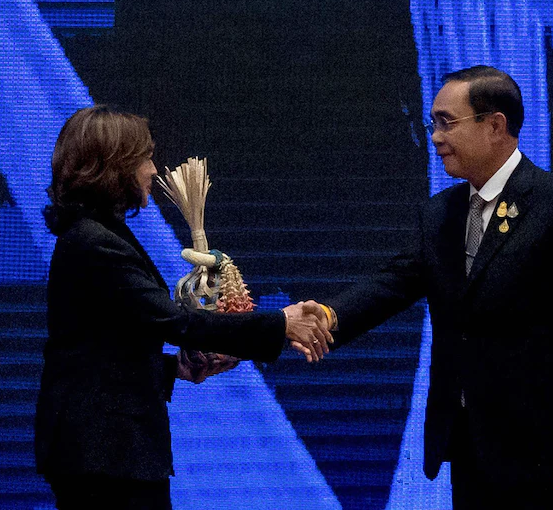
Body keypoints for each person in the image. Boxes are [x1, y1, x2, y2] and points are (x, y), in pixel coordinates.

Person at [319, 66, 553, 509]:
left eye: (446, 123)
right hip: (469, 443)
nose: (436, 138)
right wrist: (326, 317)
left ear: (495, 125)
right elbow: (393, 282)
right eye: (433, 124)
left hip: (547, 451)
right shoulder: (441, 212)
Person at [34, 105, 332, 510]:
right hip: (103, 454)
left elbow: (102, 350)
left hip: (108, 451)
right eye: (145, 158)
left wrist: (176, 368)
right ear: (114, 166)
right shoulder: (94, 242)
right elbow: (174, 322)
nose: (153, 170)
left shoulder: (100, 234)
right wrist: (281, 324)